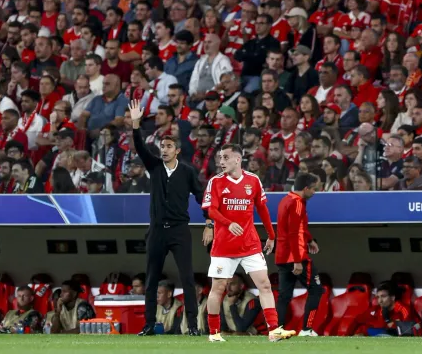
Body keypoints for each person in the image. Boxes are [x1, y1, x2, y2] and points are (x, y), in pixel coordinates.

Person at [202, 143, 295, 342]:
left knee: (265, 285)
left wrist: (271, 235)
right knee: (218, 288)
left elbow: (262, 208)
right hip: (224, 246)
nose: (221, 162)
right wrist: (228, 223)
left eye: (225, 157)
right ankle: (214, 333)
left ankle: (274, 331)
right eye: (220, 158)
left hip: (249, 244)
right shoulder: (216, 182)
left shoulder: (253, 180)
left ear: (238, 159)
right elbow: (211, 211)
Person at [128, 100, 204, 337]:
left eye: (169, 146)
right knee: (151, 280)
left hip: (180, 230)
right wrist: (135, 123)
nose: (165, 149)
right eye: (162, 146)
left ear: (177, 150)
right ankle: (149, 324)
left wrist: (211, 221)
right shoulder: (155, 167)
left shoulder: (188, 171)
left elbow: (202, 197)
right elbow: (140, 147)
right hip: (157, 231)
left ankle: (192, 326)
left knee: (187, 278)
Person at [275, 172, 323, 337]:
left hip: (282, 256)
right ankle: (307, 329)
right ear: (305, 188)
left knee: (284, 295)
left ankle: (277, 329)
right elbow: (294, 233)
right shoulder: (297, 203)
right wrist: (297, 261)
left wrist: (310, 240)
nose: (315, 193)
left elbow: (298, 228)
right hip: (295, 256)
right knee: (316, 289)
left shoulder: (285, 200)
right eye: (313, 189)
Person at [353, 281, 420, 336]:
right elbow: (357, 320)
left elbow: (405, 332)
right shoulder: (376, 309)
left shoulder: (404, 310)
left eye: (383, 296)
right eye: (378, 297)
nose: (380, 301)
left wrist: (388, 320)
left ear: (392, 298)